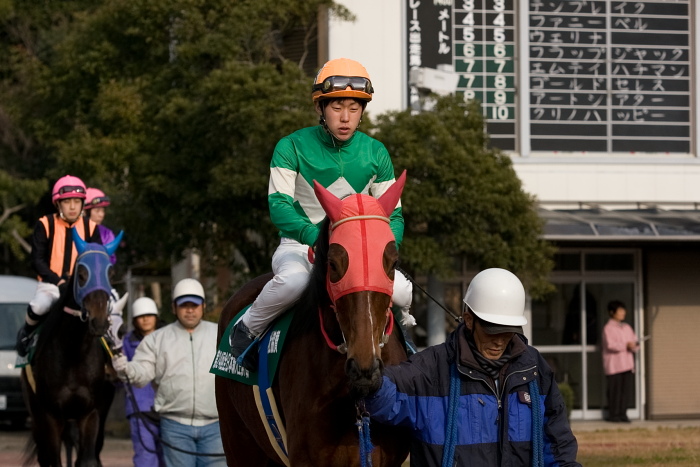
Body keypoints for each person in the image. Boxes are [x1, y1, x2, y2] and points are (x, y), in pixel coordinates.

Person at [229, 57, 414, 370]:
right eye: (336, 107)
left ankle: (404, 343)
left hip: (357, 254)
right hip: (300, 247)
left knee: (403, 291)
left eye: (354, 109)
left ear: (362, 112)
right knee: (293, 283)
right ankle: (247, 329)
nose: (345, 117)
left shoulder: (376, 152)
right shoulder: (291, 147)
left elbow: (392, 216)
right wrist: (315, 237)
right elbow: (279, 205)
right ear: (320, 108)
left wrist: (382, 250)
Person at [364, 268, 580, 467]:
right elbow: (386, 397)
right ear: (469, 320)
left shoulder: (534, 368)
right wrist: (371, 382)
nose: (499, 341)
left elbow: (557, 444)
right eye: (492, 331)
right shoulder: (431, 368)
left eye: (507, 332)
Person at [112, 278, 225, 467]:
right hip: (175, 427)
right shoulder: (157, 339)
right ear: (174, 308)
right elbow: (142, 373)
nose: (190, 310)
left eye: (195, 305)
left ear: (203, 306)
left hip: (216, 427)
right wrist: (126, 368)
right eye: (184, 305)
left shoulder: (221, 336)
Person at [16, 175, 102, 357]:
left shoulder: (92, 227)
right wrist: (59, 281)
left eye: (77, 202)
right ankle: (26, 334)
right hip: (51, 285)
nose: (72, 207)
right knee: (40, 306)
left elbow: (97, 261)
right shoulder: (45, 224)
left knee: (105, 312)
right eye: (67, 202)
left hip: (83, 287)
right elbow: (37, 260)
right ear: (58, 204)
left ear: (82, 204)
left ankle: (114, 354)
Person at [122, 297, 166, 467]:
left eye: (149, 315)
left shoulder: (169, 337)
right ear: (134, 320)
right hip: (140, 409)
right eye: (141, 316)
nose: (145, 319)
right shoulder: (126, 343)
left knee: (170, 459)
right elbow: (120, 377)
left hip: (169, 407)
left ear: (156, 316)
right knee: (145, 458)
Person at [601, 300, 638, 423]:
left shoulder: (627, 327)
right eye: (620, 310)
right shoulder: (608, 328)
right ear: (612, 312)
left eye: (623, 310)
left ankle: (623, 414)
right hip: (614, 366)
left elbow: (635, 343)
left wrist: (634, 345)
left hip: (627, 364)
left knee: (625, 392)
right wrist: (626, 345)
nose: (623, 313)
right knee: (614, 392)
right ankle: (614, 415)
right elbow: (610, 345)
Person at [84, 187, 118, 264]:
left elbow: (111, 259)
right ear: (85, 212)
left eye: (103, 210)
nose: (101, 215)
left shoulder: (107, 233)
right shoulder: (75, 230)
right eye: (97, 211)